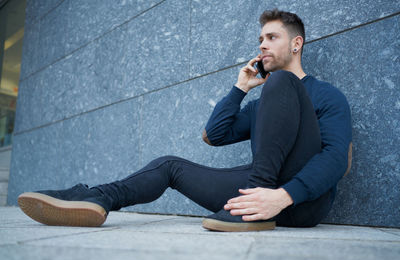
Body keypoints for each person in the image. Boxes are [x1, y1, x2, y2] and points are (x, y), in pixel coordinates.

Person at [18, 9, 352, 232]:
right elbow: (214, 134)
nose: (262, 45)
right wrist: (240, 87)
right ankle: (98, 197)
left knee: (281, 82)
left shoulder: (327, 94)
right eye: (260, 40)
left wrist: (282, 196)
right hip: (256, 195)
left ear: (297, 43)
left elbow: (337, 158)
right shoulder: (262, 100)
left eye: (271, 38)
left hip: (301, 204)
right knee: (168, 166)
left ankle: (257, 199)